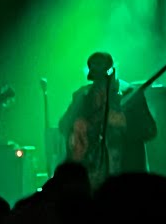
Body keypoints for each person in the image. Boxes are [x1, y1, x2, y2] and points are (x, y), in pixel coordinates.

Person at [59, 52, 157, 185]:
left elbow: (150, 130)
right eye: (97, 81)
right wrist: (75, 125)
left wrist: (124, 122)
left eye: (103, 80)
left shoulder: (131, 94)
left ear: (112, 73)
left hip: (126, 179)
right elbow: (63, 124)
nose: (100, 85)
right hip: (92, 179)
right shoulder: (82, 96)